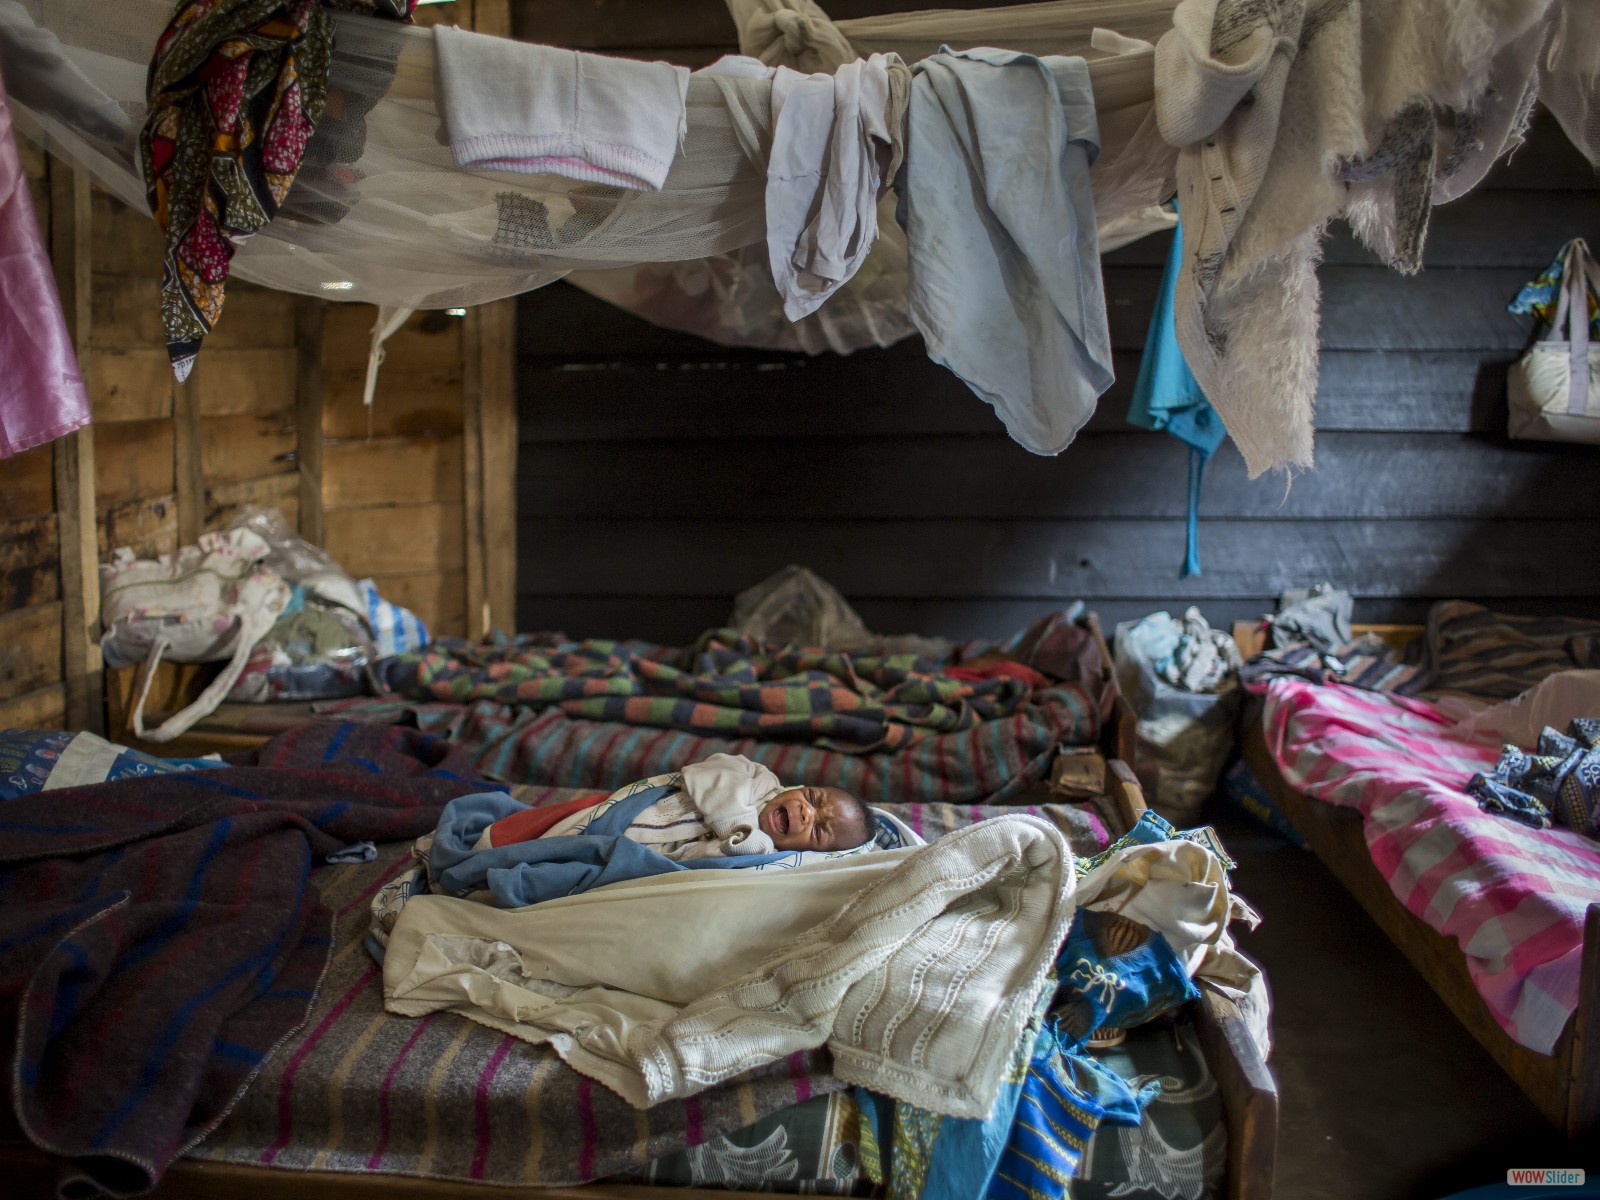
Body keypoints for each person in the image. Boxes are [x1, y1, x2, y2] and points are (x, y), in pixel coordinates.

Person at [472, 752, 875, 860]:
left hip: (628, 854)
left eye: (819, 830)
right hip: (626, 812)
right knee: (534, 830)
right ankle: (490, 845)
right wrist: (737, 825)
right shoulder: (759, 781)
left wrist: (730, 848)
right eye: (813, 799)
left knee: (551, 867)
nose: (807, 812)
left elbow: (689, 864)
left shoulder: (762, 858)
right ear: (802, 786)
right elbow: (714, 772)